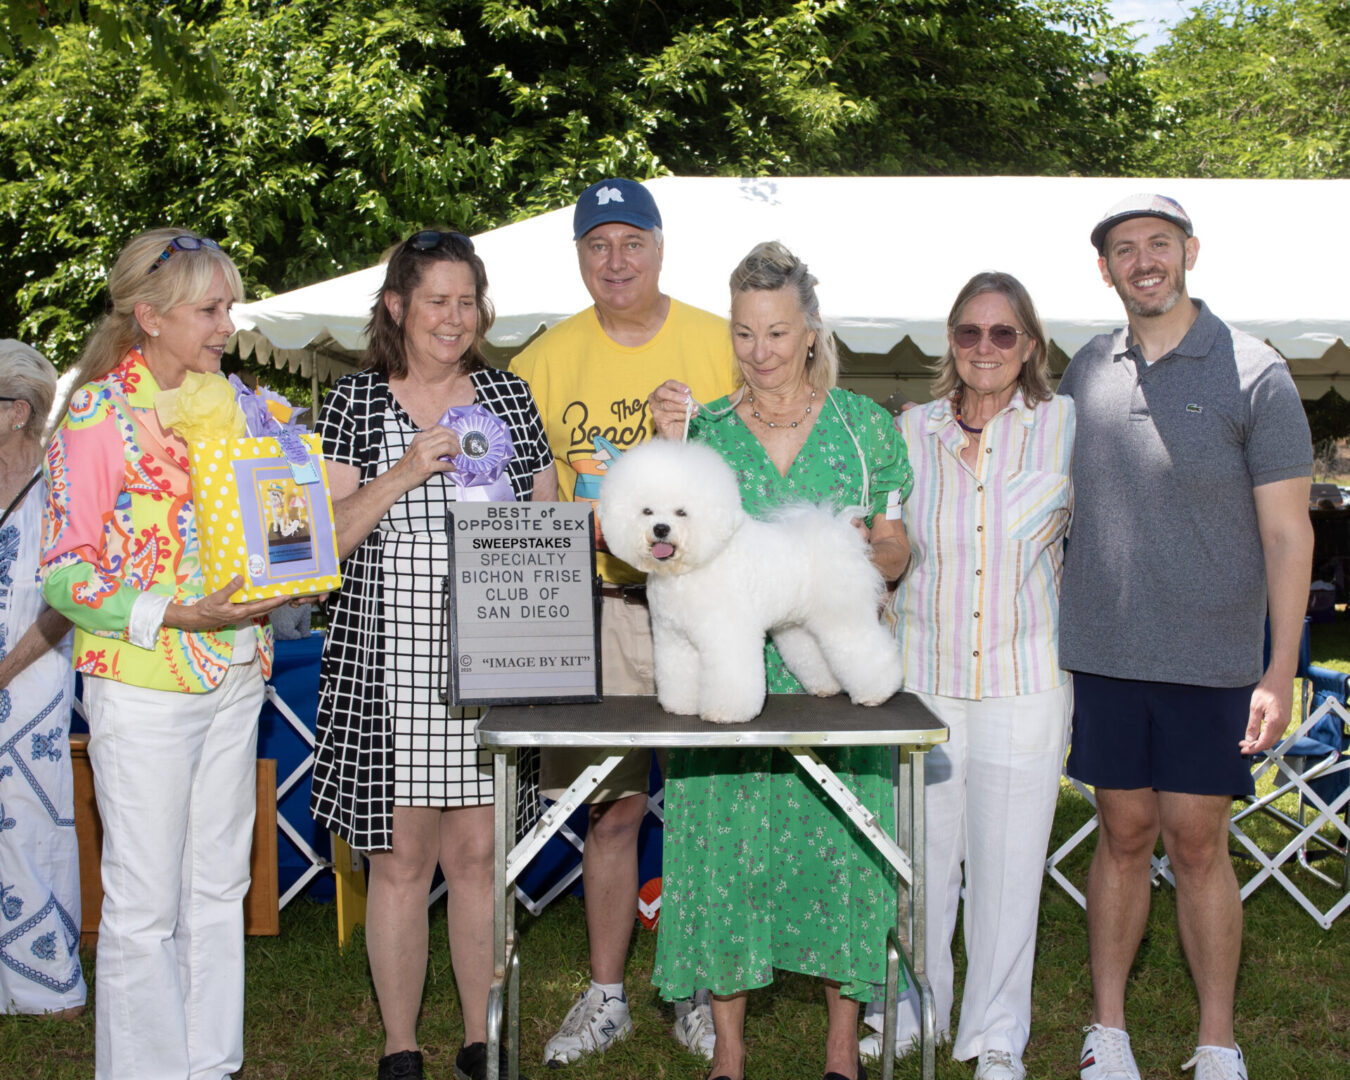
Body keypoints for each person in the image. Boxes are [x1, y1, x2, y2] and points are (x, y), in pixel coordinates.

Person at [1059, 194, 1313, 1080]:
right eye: (1123, 249)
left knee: (1197, 842)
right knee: (1122, 831)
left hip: (1213, 658)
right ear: (1105, 269)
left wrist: (1279, 668)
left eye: (1157, 244)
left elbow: (1289, 535)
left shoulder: (1255, 370)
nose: (1142, 261)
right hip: (1105, 651)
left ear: (1189, 252)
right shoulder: (1084, 370)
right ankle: (1109, 1032)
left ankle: (1216, 1042)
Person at [646, 240, 913, 1080]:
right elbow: (657, 532)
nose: (759, 352)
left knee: (843, 854)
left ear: (809, 333)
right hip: (728, 694)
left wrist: (888, 552)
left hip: (831, 696)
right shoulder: (705, 433)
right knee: (721, 855)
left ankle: (842, 1049)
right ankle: (729, 1051)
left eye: (776, 332)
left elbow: (897, 545)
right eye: (743, 334)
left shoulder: (866, 430)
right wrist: (662, 443)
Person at [309, 229, 557, 1080]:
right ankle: (400, 1047)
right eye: (436, 301)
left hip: (492, 664)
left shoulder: (512, 398)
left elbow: (545, 532)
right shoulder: (351, 403)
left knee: (480, 861)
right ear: (396, 308)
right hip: (386, 666)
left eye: (466, 301)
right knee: (401, 861)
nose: (454, 319)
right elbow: (324, 541)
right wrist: (404, 471)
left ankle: (483, 1040)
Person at [39, 229, 285, 1079]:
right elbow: (64, 578)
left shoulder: (238, 402)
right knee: (143, 906)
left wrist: (286, 569)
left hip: (235, 673)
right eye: (210, 309)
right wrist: (177, 613)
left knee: (219, 891)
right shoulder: (96, 416)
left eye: (228, 307)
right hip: (142, 683)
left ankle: (211, 1066)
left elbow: (271, 520)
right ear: (149, 316)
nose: (227, 325)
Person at [508, 178, 739, 1066]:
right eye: (598, 245)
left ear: (660, 247)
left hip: (704, 607)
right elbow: (523, 487)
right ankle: (606, 994)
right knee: (610, 807)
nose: (616, 261)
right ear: (579, 256)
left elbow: (752, 471)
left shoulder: (720, 344)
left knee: (713, 806)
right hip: (595, 607)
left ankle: (694, 987)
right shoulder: (545, 357)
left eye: (631, 241)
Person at [862, 273, 1075, 1080]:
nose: (985, 349)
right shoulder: (907, 432)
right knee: (918, 860)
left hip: (1027, 677)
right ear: (949, 343)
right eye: (969, 333)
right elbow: (876, 543)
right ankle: (916, 1006)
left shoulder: (1066, 426)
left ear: (1030, 346)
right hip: (927, 674)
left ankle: (995, 1037)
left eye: (1003, 334)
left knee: (1011, 867)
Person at [0, 340, 85, 1019]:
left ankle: (45, 982)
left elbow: (66, 602)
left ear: (16, 411)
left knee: (29, 818)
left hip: (34, 678)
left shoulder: (59, 487)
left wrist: (4, 671)